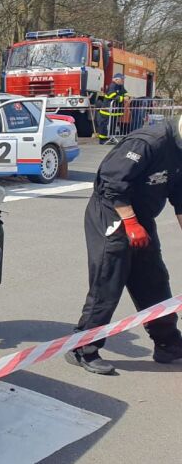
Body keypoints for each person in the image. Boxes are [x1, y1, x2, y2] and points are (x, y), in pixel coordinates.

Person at [66, 117, 182, 374]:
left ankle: (168, 343)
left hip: (142, 217)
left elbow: (180, 197)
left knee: (154, 280)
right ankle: (83, 348)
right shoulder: (149, 142)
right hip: (111, 212)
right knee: (109, 279)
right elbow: (111, 183)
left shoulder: (180, 150)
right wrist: (130, 222)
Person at [95, 73, 128, 144]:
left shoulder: (120, 86)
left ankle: (111, 138)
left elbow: (124, 93)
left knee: (113, 125)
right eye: (122, 79)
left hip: (114, 111)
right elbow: (111, 96)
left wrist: (126, 97)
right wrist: (122, 98)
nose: (123, 80)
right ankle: (102, 140)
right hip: (107, 110)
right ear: (116, 79)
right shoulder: (112, 86)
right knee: (104, 125)